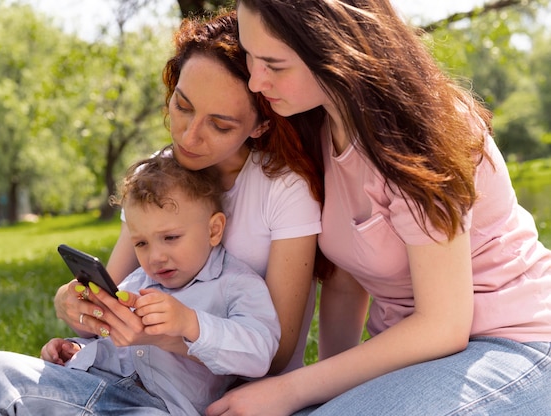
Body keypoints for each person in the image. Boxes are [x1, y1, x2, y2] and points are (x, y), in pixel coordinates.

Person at [204, 1, 551, 415]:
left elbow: (444, 326)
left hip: (513, 342)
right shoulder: (314, 126)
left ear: (334, 50)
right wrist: (318, 395)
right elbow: (346, 282)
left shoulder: (417, 132)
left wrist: (292, 390)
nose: (256, 82)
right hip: (417, 358)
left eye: (275, 65)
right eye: (250, 56)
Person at [53, 10, 324, 377]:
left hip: (247, 395)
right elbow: (109, 300)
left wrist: (169, 336)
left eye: (219, 125)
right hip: (144, 380)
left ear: (261, 125)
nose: (188, 136)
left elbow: (276, 351)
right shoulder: (159, 172)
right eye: (182, 106)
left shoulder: (284, 188)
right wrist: (71, 303)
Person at [0, 153, 281, 415]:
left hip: (158, 409)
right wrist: (76, 351)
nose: (155, 257)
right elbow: (115, 347)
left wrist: (188, 323)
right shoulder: (138, 280)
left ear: (213, 230)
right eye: (141, 244)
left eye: (170, 237)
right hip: (95, 392)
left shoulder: (236, 284)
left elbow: (259, 352)